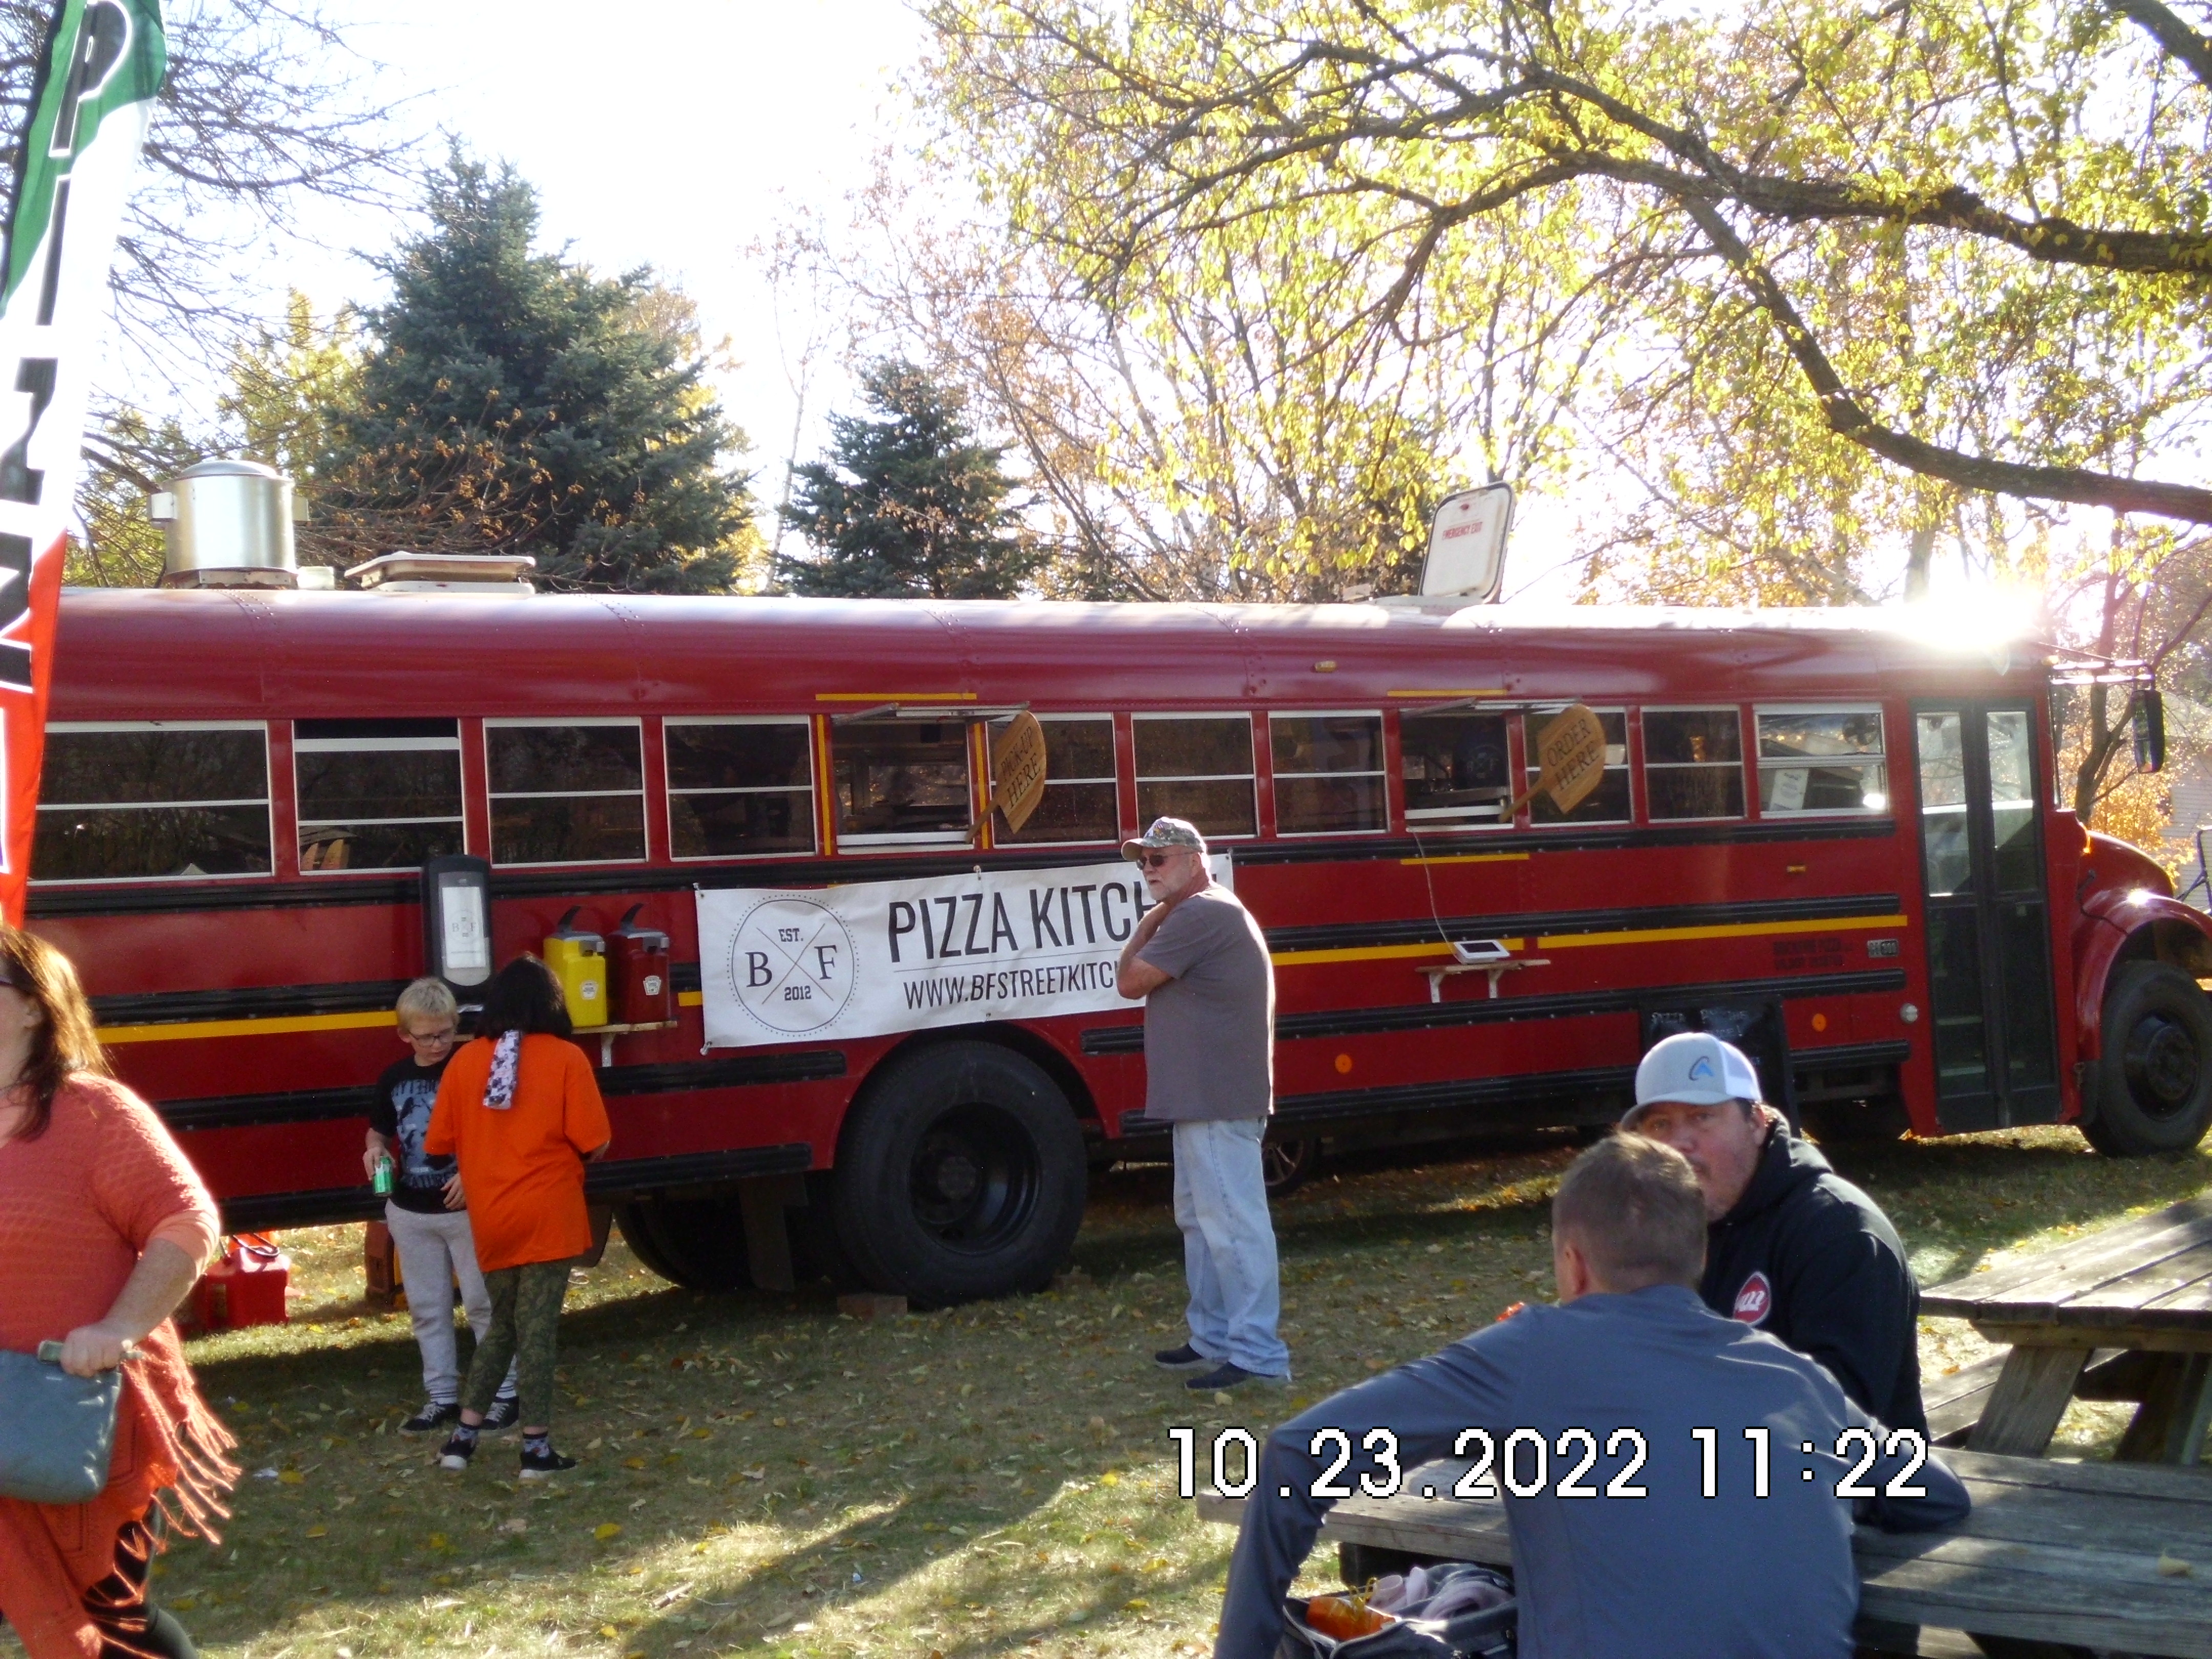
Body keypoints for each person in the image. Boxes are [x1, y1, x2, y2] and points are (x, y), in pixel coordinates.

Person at [1215, 1134, 1969, 1659]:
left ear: (1573, 1265)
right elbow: (1936, 1498)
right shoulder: (1796, 1378)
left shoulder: (1529, 1354)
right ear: (1699, 1259)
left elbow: (1291, 1457)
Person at [0, 925, 237, 1659]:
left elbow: (188, 1221)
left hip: (72, 1409)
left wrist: (119, 1326)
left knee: (112, 1617)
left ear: (36, 1007)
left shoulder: (94, 1112)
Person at [1625, 1032, 1927, 1433]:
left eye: (1702, 1117)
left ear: (1756, 1122)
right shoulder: (1661, 1232)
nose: (1681, 1143)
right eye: (1661, 1124)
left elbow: (1840, 1416)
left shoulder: (1839, 1230)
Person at [1115, 816, 1288, 1392]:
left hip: (1217, 1097)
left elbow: (1131, 980)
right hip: (1203, 1098)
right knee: (1201, 1221)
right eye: (1143, 861)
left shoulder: (1201, 913)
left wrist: (1150, 919)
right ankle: (1212, 1338)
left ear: (1195, 860)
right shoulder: (1203, 910)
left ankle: (1259, 1354)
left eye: (1158, 860)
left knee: (1233, 1225)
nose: (1148, 870)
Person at [422, 955, 609, 1479]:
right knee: (538, 1334)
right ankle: (536, 1448)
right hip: (549, 1214)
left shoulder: (463, 1063)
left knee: (501, 1328)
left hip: (492, 1218)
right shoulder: (567, 1059)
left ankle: (462, 1441)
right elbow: (595, 1144)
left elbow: (438, 1143)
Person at [361, 977, 517, 1434]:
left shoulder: (474, 1066)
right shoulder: (394, 1077)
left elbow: (501, 1133)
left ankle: (504, 1394)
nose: (438, 1044)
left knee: (483, 1303)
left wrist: (473, 1174)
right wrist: (374, 1150)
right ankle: (442, 1396)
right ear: (404, 1035)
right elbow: (379, 1130)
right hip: (411, 1207)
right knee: (427, 1306)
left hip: (468, 1207)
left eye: (446, 1033)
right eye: (426, 1036)